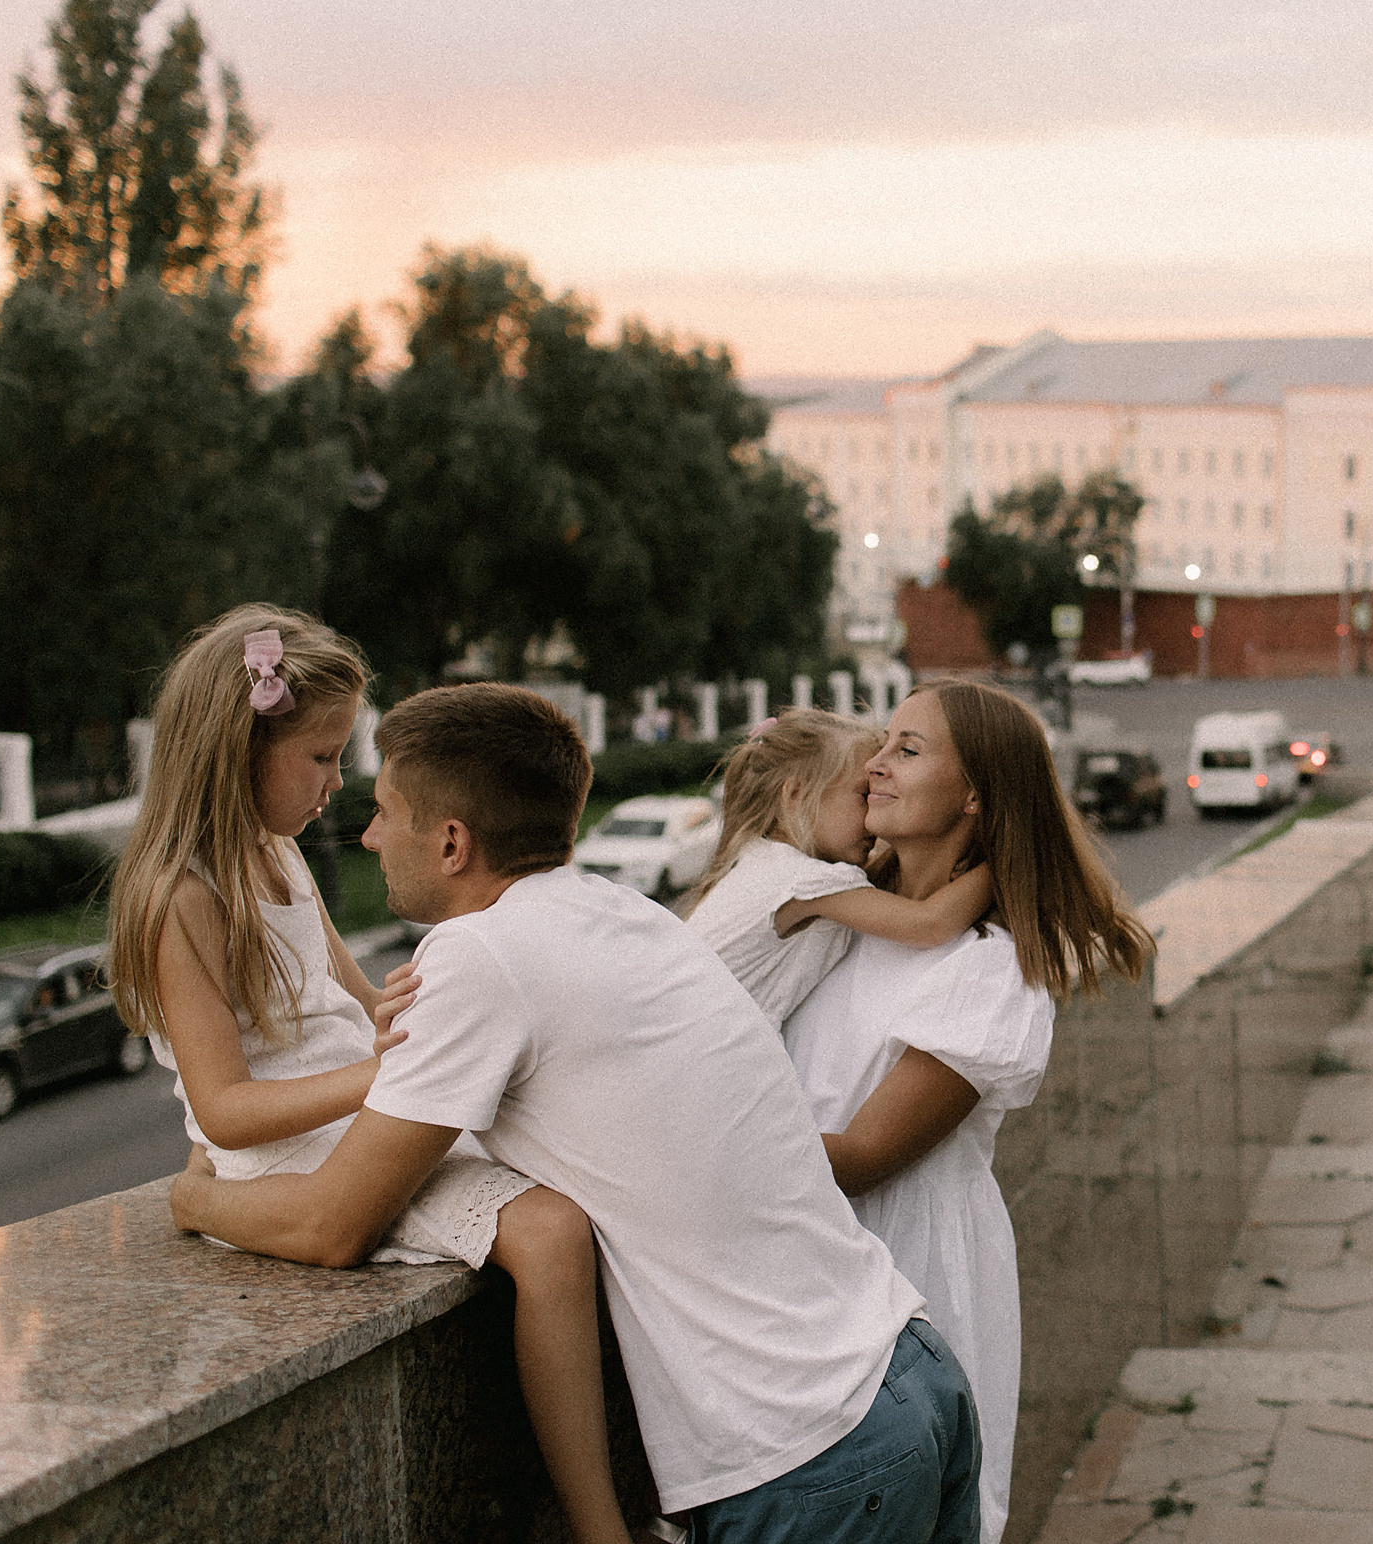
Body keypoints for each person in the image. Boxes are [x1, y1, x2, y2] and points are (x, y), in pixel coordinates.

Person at [168, 682, 979, 1543]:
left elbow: (335, 1223)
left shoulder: (480, 956)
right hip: (912, 1370)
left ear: (451, 842)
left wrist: (192, 1201)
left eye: (384, 810)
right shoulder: (626, 914)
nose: (366, 834)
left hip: (811, 1450)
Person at [109, 607, 633, 1544]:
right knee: (550, 1231)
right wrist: (387, 1075)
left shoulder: (278, 855)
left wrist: (428, 1010)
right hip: (290, 1155)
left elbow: (350, 1002)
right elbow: (225, 1111)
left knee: (587, 1159)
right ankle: (598, 1524)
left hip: (367, 1106)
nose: (337, 783)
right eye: (320, 756)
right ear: (239, 747)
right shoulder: (180, 897)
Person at [783, 679, 1153, 1544]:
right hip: (801, 1259)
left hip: (907, 1267)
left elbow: (870, 1152)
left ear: (977, 795)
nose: (875, 763)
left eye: (908, 751)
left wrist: (692, 1147)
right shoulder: (841, 917)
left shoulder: (991, 967)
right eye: (883, 743)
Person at [683, 708, 994, 1027]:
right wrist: (1002, 863)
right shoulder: (802, 880)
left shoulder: (761, 860)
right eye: (864, 795)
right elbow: (930, 924)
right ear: (796, 795)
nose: (872, 813)